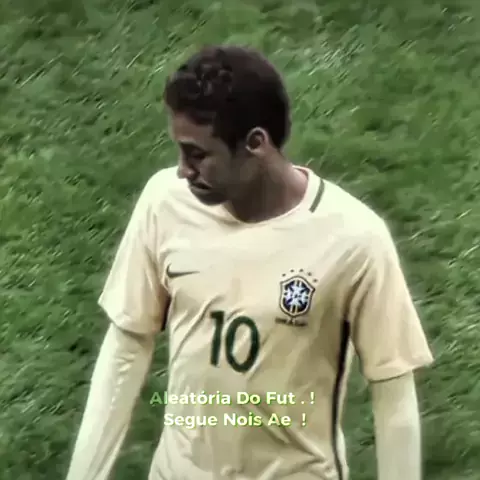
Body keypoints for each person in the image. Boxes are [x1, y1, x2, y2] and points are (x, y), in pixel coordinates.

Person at [65, 45, 434, 480]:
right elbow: (127, 346)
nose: (182, 170)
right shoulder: (165, 204)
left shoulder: (355, 239)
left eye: (197, 154)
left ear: (256, 143)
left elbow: (392, 388)